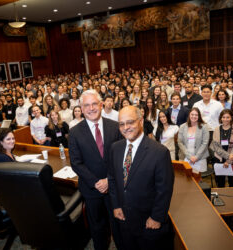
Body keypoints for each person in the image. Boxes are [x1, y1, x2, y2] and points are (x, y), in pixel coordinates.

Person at [108, 106, 174, 250]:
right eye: (121, 124)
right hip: (124, 219)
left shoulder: (160, 152)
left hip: (148, 223)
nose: (126, 127)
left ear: (141, 121)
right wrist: (116, 205)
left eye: (130, 122)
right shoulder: (115, 148)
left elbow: (164, 190)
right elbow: (112, 179)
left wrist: (157, 217)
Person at [69, 90, 122, 250]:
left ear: (101, 105)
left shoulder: (115, 127)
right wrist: (96, 182)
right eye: (87, 105)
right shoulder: (74, 132)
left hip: (114, 188)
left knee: (119, 226)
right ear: (81, 108)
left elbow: (121, 158)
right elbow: (76, 163)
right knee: (97, 229)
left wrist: (108, 180)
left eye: (94, 104)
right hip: (92, 190)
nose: (91, 108)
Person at [210, 109, 233, 187]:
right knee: (220, 183)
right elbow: (216, 147)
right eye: (223, 117)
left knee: (232, 183)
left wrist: (228, 160)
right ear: (221, 118)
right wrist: (228, 156)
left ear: (231, 118)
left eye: (227, 117)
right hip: (219, 159)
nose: (225, 119)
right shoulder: (217, 129)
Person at [178, 108, 209, 172]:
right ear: (189, 115)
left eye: (196, 115)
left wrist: (196, 157)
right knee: (187, 179)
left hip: (200, 158)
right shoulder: (182, 127)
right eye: (192, 114)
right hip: (187, 157)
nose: (194, 116)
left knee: (198, 180)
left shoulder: (204, 127)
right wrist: (189, 156)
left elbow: (205, 143)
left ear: (199, 116)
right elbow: (180, 142)